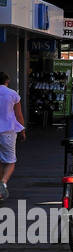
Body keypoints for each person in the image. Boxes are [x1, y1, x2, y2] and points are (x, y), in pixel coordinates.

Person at [0, 72, 25, 201]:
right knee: (10, 160)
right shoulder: (12, 94)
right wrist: (22, 131)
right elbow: (19, 115)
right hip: (8, 131)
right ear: (7, 81)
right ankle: (3, 183)